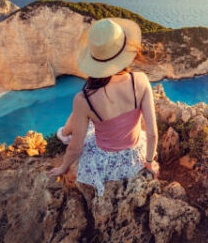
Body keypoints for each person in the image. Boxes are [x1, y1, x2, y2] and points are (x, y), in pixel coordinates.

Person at [48, 18, 159, 196]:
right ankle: (64, 132)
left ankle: (63, 133)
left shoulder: (84, 99)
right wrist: (148, 163)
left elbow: (76, 148)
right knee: (83, 116)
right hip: (133, 158)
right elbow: (152, 133)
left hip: (105, 164)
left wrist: (63, 168)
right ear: (124, 50)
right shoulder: (139, 80)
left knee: (81, 116)